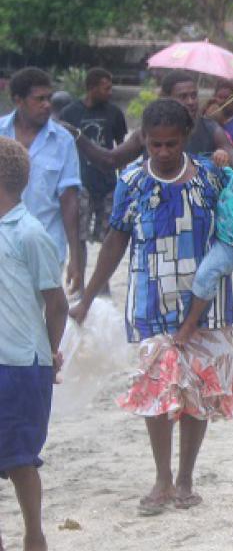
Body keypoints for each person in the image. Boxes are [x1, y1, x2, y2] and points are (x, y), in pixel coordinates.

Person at [69, 99, 233, 515]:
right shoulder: (130, 179)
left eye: (171, 144)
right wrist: (88, 296)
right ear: (143, 139)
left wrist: (230, 157)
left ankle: (185, 478)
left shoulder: (211, 176)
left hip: (208, 304)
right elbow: (115, 241)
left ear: (185, 139)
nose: (162, 152)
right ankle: (162, 477)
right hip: (150, 301)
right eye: (155, 144)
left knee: (199, 392)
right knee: (157, 392)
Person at [0, 137, 69, 551]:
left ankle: (33, 534)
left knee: (20, 456)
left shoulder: (29, 232)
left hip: (22, 364)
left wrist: (48, 350)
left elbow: (56, 302)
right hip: (17, 361)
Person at [176, 131, 233, 349]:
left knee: (205, 276)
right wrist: (219, 158)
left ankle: (190, 323)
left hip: (231, 247)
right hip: (223, 240)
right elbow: (222, 171)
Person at [0, 68, 81, 284]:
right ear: (18, 101)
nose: (47, 105)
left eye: (49, 98)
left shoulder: (63, 141)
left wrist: (75, 255)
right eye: (39, 99)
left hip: (46, 247)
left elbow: (69, 199)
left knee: (41, 315)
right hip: (2, 246)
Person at [71, 70, 233, 170]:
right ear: (165, 98)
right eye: (183, 96)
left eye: (194, 95)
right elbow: (110, 160)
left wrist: (227, 157)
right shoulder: (147, 132)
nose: (191, 102)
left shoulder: (211, 129)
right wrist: (77, 136)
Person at [60, 67, 128, 297]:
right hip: (81, 182)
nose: (110, 92)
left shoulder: (114, 114)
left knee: (108, 236)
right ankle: (79, 280)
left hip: (108, 183)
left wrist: (124, 181)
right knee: (78, 236)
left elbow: (121, 149)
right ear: (91, 88)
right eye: (106, 88)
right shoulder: (70, 114)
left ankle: (101, 282)